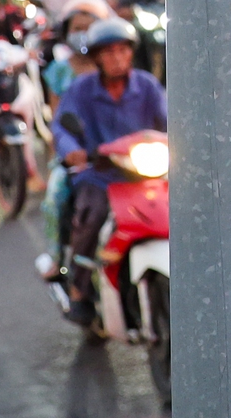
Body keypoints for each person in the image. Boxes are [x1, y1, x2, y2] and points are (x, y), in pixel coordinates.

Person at [47, 16, 168, 314]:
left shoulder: (148, 86)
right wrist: (73, 149)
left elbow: (169, 122)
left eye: (122, 50)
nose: (117, 58)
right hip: (100, 175)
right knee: (92, 215)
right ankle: (80, 285)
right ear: (97, 57)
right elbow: (61, 127)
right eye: (108, 52)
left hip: (145, 174)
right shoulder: (82, 89)